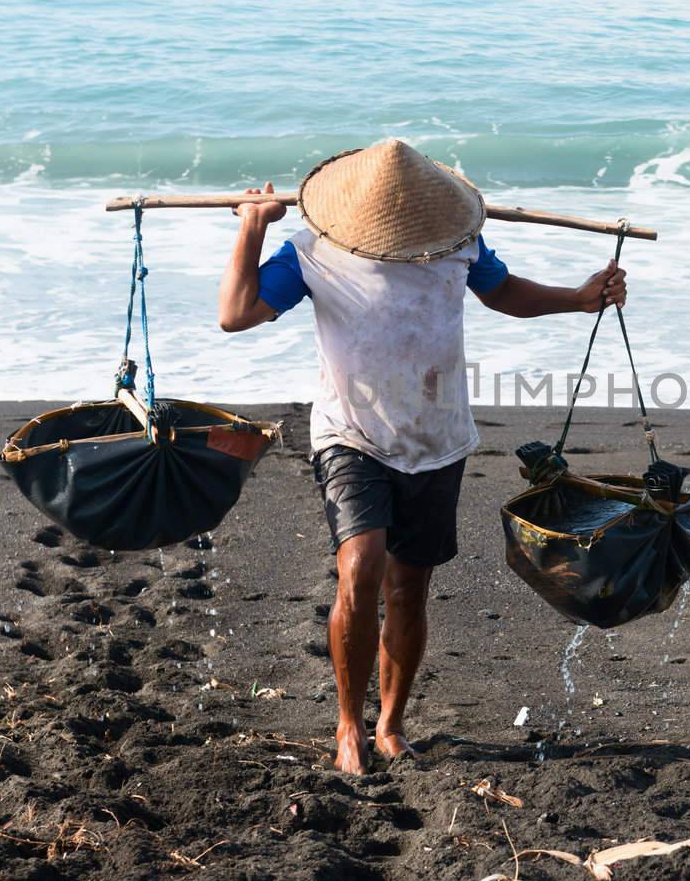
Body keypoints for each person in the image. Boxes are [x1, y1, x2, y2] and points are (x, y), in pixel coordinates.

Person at [217, 139, 625, 774]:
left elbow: (503, 292)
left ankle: (391, 724)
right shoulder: (312, 252)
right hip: (350, 434)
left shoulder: (456, 244)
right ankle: (348, 725)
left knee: (410, 589)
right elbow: (236, 314)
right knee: (361, 567)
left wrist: (579, 297)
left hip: (437, 439)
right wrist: (250, 228)